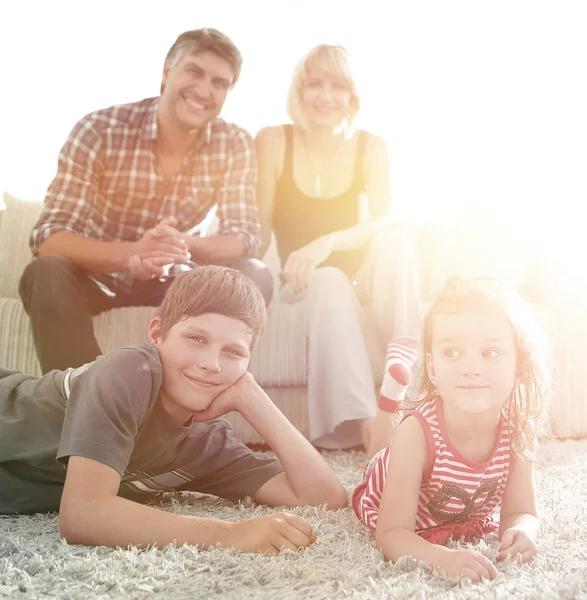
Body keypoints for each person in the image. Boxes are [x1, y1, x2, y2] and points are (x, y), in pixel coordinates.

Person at [1, 265, 347, 553]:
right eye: (196, 339)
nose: (212, 363)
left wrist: (254, 400)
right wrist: (229, 535)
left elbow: (325, 497)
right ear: (157, 333)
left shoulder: (206, 446)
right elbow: (82, 514)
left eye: (234, 352)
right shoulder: (128, 370)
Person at [19, 28, 273, 375]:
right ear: (167, 71)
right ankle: (86, 400)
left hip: (176, 283)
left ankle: (188, 396)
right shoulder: (100, 129)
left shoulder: (234, 143)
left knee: (253, 274)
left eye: (219, 83)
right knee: (45, 272)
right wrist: (134, 253)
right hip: (100, 276)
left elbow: (244, 238)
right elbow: (49, 239)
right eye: (194, 72)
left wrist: (178, 245)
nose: (203, 90)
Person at [255, 44, 422, 452]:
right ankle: (367, 428)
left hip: (362, 277)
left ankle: (415, 396)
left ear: (352, 97)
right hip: (303, 283)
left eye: (338, 86)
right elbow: (257, 234)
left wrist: (327, 241)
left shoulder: (371, 146)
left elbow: (386, 219)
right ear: (299, 89)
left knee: (396, 243)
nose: (326, 96)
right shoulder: (274, 140)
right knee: (328, 278)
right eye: (315, 84)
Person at [352, 277, 552, 581]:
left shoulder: (519, 432)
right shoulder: (416, 434)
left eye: (490, 353)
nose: (470, 368)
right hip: (387, 476)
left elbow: (521, 512)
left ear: (519, 365)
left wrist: (522, 531)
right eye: (452, 353)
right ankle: (392, 395)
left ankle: (395, 395)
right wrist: (439, 558)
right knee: (377, 455)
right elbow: (391, 533)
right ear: (432, 369)